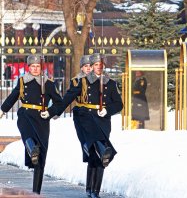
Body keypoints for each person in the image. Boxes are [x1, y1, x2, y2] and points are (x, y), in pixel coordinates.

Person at [58, 53, 123, 198]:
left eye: (100, 65)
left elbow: (119, 104)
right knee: (98, 152)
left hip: (103, 121)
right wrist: (54, 111)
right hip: (86, 118)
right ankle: (91, 190)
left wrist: (107, 110)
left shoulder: (110, 83)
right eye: (93, 65)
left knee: (99, 157)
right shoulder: (82, 81)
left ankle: (94, 190)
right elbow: (68, 97)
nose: (96, 67)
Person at [0, 54, 63, 195]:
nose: (35, 69)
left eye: (38, 66)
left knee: (41, 159)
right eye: (32, 66)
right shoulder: (22, 81)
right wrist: (3, 110)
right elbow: (12, 97)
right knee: (27, 134)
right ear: (29, 67)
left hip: (42, 119)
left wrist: (51, 112)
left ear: (41, 67)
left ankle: (36, 192)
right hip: (26, 115)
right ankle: (32, 149)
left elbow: (60, 103)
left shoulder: (49, 83)